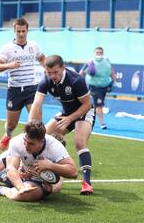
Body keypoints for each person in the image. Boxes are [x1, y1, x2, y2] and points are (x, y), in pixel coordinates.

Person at [28, 55, 95, 195]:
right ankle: (41, 174)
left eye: (55, 72)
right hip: (65, 113)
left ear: (63, 68)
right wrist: (31, 129)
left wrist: (70, 119)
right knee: (41, 138)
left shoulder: (76, 81)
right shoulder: (46, 80)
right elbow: (37, 104)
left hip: (84, 111)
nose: (52, 76)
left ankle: (87, 183)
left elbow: (87, 104)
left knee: (79, 142)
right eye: (49, 72)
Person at [0, 122, 78, 202]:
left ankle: (1, 190)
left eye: (31, 143)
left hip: (38, 182)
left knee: (23, 196)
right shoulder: (17, 142)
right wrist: (21, 187)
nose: (26, 145)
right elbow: (10, 167)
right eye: (25, 140)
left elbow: (73, 172)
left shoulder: (54, 146)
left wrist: (49, 166)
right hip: (20, 175)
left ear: (41, 141)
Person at [0, 18, 45, 151]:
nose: (21, 34)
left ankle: (35, 147)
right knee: (11, 124)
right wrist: (10, 65)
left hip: (32, 88)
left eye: (23, 31)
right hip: (15, 90)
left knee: (36, 122)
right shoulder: (7, 48)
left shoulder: (34, 45)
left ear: (27, 31)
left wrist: (47, 68)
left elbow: (42, 58)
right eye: (18, 31)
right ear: (14, 31)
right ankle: (8, 134)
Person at [79, 47, 116, 129]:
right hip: (94, 86)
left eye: (100, 52)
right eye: (97, 52)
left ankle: (89, 112)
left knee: (99, 104)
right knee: (99, 105)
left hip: (105, 85)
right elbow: (81, 73)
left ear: (103, 53)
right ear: (94, 53)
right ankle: (102, 123)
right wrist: (80, 81)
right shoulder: (90, 62)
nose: (98, 54)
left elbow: (111, 71)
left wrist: (114, 81)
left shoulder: (106, 60)